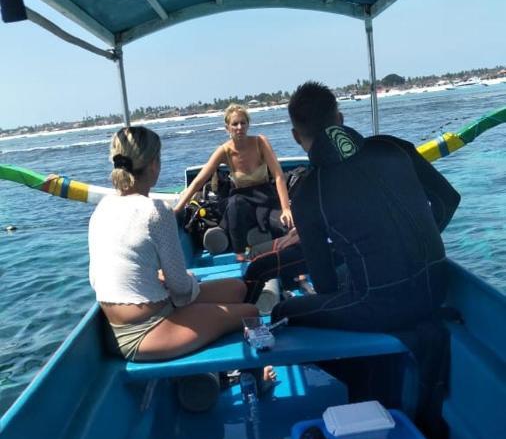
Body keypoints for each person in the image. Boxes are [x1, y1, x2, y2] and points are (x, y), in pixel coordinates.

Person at [246, 81, 461, 333]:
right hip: (436, 288)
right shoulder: (392, 146)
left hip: (383, 308)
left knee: (282, 312)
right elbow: (448, 200)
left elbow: (326, 285)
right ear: (340, 118)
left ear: (295, 136)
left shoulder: (308, 192)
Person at [88, 125, 258, 361]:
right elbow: (180, 288)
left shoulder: (103, 207)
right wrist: (185, 280)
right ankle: (248, 377)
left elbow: (97, 279)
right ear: (154, 165)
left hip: (125, 321)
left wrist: (158, 283)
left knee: (238, 288)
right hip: (145, 331)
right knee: (251, 312)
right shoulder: (155, 211)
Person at [174, 104, 294, 257]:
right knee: (234, 204)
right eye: (235, 124)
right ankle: (242, 254)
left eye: (243, 123)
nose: (239, 127)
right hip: (243, 203)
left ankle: (298, 273)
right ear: (227, 128)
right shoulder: (224, 151)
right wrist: (177, 209)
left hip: (266, 199)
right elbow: (199, 181)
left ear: (248, 124)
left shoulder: (260, 142)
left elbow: (278, 176)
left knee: (288, 225)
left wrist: (286, 209)